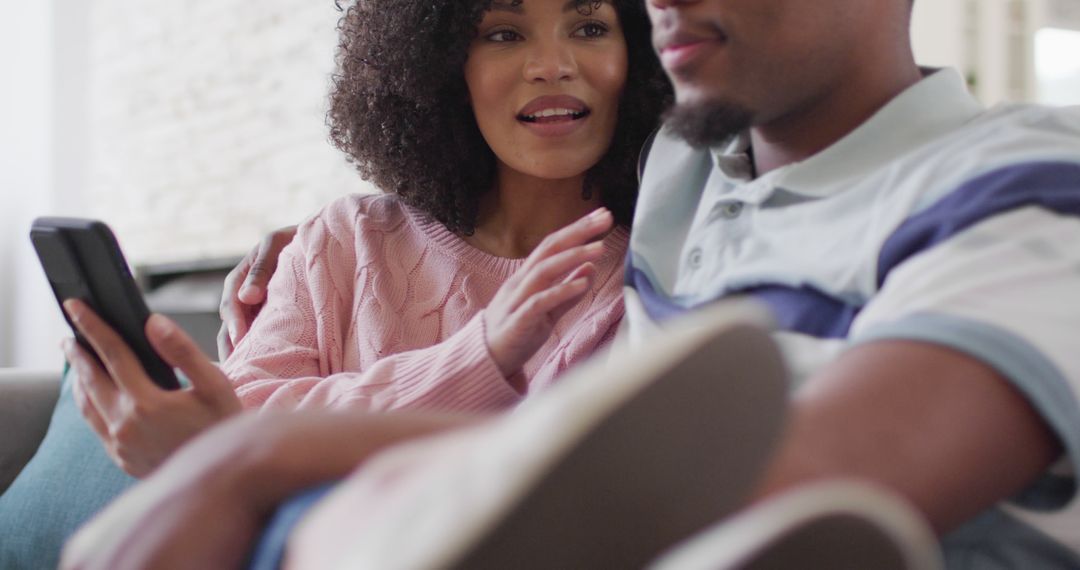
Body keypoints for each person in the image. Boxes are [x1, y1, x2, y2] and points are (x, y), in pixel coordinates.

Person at [63, 0, 1080, 567]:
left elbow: (794, 487)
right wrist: (346, 234)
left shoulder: (1028, 186)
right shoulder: (680, 176)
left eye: (589, 29)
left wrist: (269, 450)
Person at [61, 0, 670, 477]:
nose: (552, 65)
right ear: (442, 66)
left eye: (590, 27)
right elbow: (233, 426)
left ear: (641, 53)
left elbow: (563, 487)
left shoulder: (658, 272)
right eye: (503, 33)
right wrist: (477, 358)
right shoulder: (345, 238)